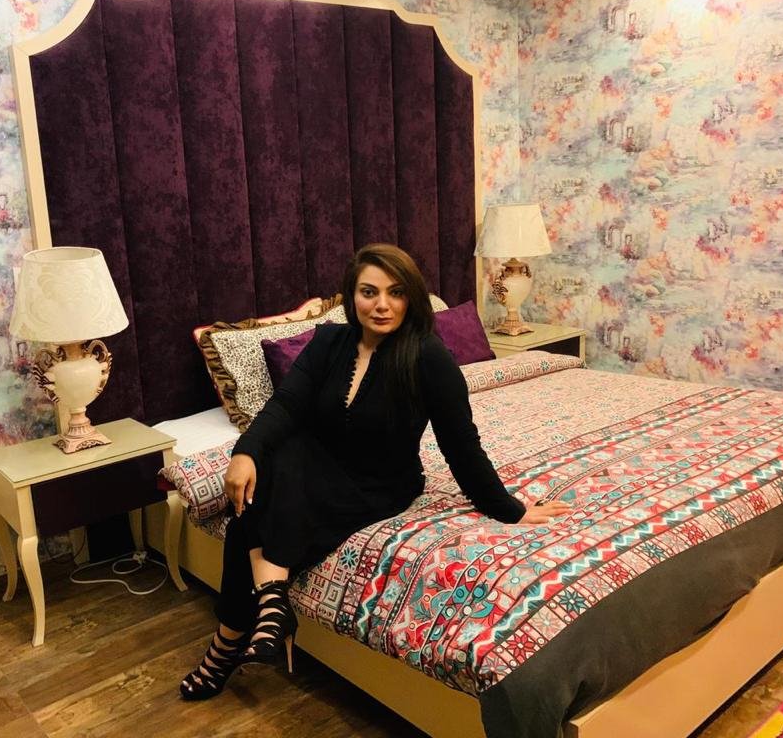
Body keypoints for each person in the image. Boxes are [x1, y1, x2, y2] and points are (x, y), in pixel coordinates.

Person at [179, 243, 571, 700]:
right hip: (316, 467)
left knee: (252, 512)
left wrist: (509, 509)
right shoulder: (328, 342)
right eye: (369, 292)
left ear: (411, 297)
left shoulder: (428, 356)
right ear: (352, 295)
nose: (381, 305)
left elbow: (461, 446)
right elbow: (285, 405)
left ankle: (228, 644)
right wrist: (244, 452)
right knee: (269, 463)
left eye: (395, 292)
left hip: (380, 483)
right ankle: (271, 605)